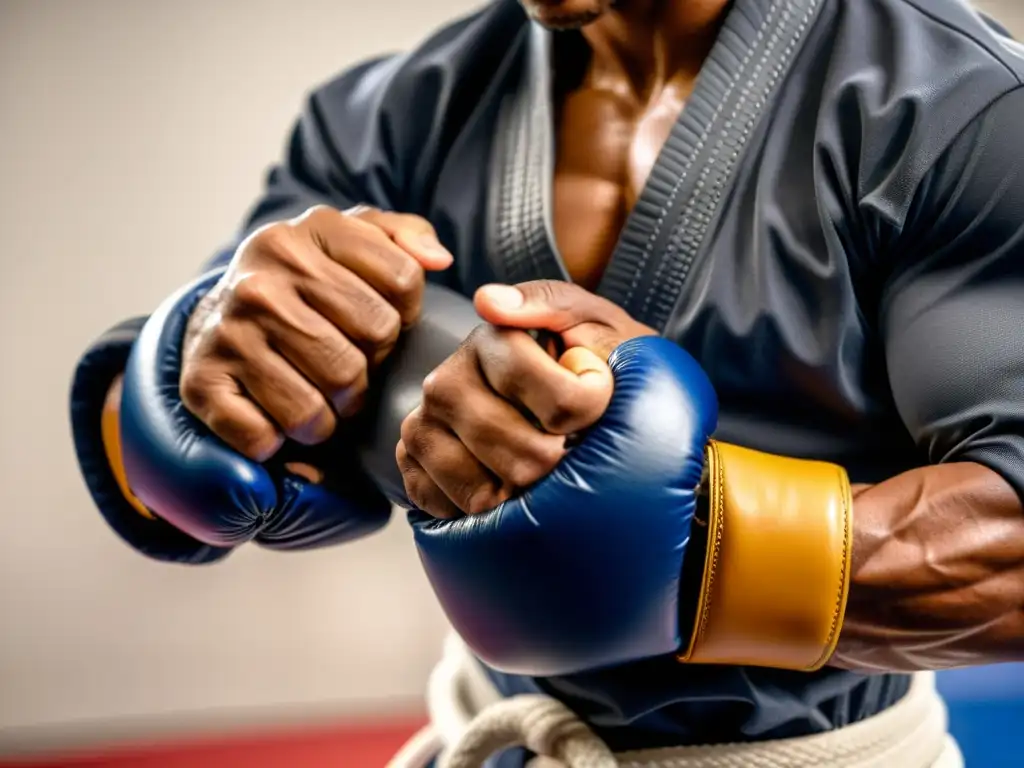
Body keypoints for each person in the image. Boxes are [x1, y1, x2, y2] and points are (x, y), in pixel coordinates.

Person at [70, 0, 1024, 765]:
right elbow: (159, 459)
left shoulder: (959, 109)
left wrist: (692, 548)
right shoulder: (393, 113)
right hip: (495, 737)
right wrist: (192, 361)